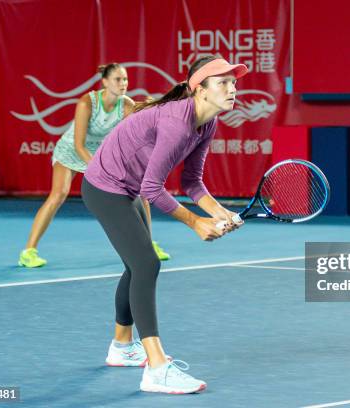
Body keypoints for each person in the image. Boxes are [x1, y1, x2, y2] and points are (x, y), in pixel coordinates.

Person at [81, 55, 247, 394]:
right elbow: (151, 189)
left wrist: (219, 213)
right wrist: (196, 223)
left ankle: (122, 347)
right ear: (199, 89)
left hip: (127, 188)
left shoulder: (207, 122)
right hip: (104, 187)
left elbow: (192, 181)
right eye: (223, 82)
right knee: (146, 263)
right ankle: (156, 369)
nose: (232, 88)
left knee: (136, 264)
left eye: (233, 81)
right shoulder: (175, 122)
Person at [18, 63, 170, 268]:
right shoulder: (87, 103)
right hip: (72, 151)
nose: (123, 83)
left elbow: (130, 139)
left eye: (125, 79)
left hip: (102, 153)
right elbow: (79, 144)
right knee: (58, 195)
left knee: (140, 193)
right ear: (105, 82)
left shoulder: (126, 105)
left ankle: (147, 245)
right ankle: (28, 252)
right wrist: (100, 168)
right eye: (118, 79)